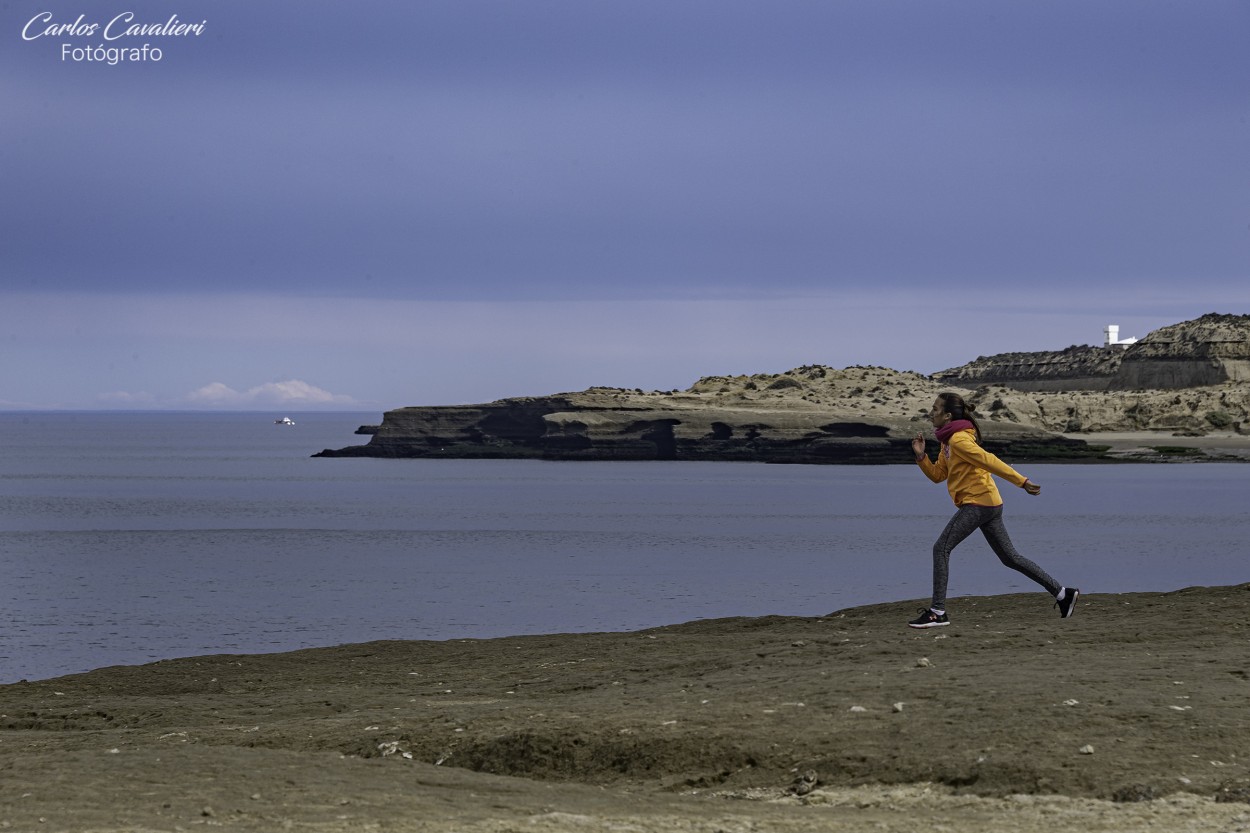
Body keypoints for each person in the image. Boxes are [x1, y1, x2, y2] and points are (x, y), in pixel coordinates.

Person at [907, 392, 1079, 628]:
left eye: (935, 409)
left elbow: (989, 460)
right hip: (988, 503)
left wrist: (1022, 481)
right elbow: (939, 475)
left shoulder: (959, 440)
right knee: (1010, 557)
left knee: (941, 548)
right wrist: (921, 457)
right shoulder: (948, 441)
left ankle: (938, 612)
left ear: (947, 416)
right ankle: (1062, 594)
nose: (930, 412)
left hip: (978, 503)